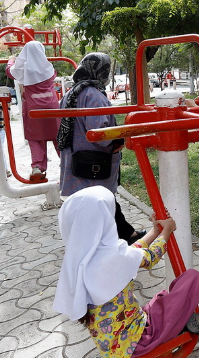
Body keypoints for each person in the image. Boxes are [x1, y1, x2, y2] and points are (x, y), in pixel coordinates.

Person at [53, 185, 199, 358]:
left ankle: (177, 320)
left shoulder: (81, 261)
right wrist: (167, 231)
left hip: (117, 347)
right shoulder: (111, 258)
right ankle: (178, 325)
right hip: (137, 344)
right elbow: (150, 257)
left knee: (162, 298)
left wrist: (155, 231)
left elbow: (131, 252)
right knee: (192, 278)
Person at [57, 52, 146, 245]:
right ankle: (115, 239)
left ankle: (121, 234)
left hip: (75, 158)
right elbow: (100, 132)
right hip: (94, 161)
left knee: (93, 202)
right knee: (102, 201)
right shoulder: (93, 95)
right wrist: (116, 141)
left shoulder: (71, 93)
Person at [6, 41, 60, 183]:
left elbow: (10, 72)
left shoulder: (23, 69)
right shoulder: (48, 67)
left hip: (33, 106)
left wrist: (11, 61)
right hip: (51, 105)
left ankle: (37, 167)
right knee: (58, 135)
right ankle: (69, 162)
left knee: (35, 137)